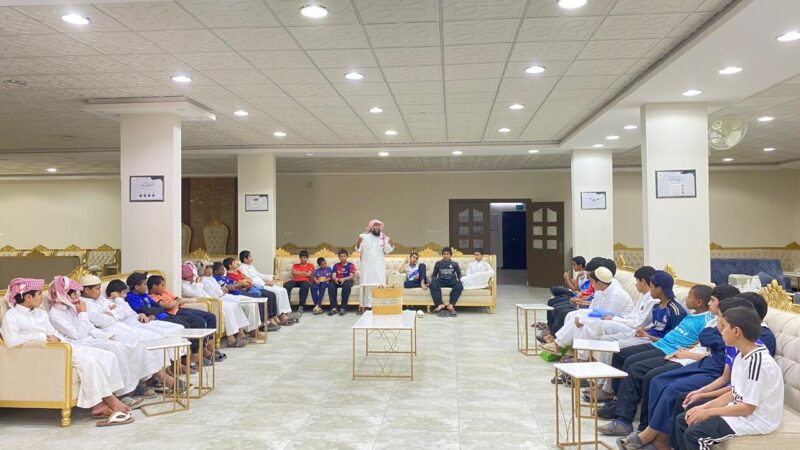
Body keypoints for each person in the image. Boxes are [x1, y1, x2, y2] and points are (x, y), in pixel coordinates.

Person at [1, 278, 133, 424]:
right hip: (41, 354)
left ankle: (104, 401)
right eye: (38, 294)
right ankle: (105, 402)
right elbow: (11, 340)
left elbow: (54, 332)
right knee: (89, 362)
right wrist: (41, 337)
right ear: (28, 297)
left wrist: (56, 338)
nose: (41, 298)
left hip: (59, 348)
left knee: (104, 356)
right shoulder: (11, 316)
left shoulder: (41, 313)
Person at [599, 282, 713, 436]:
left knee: (635, 368)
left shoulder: (707, 320)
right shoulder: (691, 315)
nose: (686, 299)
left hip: (670, 350)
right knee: (621, 354)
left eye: (689, 297)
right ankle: (620, 403)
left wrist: (684, 352)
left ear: (699, 302)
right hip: (660, 344)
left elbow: (700, 344)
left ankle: (624, 420)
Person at [673, 307, 783, 450]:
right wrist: (703, 407)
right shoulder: (740, 355)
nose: (721, 332)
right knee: (683, 419)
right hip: (741, 409)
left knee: (695, 434)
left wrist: (708, 412)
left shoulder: (758, 363)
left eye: (724, 327)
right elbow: (734, 392)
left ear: (736, 332)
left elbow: (748, 408)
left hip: (757, 419)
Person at [48, 276, 158, 406]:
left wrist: (106, 336)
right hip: (78, 343)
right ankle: (122, 394)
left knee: (119, 345)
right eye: (73, 294)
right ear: (63, 295)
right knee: (116, 349)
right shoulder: (55, 314)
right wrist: (83, 313)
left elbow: (90, 328)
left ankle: (131, 387)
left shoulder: (71, 307)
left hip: (90, 338)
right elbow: (78, 334)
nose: (76, 296)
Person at [540, 265, 633, 355]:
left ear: (599, 283)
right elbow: (593, 309)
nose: (591, 285)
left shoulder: (617, 295)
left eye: (592, 282)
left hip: (620, 323)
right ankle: (570, 349)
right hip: (605, 319)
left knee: (586, 323)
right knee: (573, 316)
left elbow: (608, 316)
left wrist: (583, 320)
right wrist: (581, 317)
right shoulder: (600, 290)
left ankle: (562, 347)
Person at [146, 274, 219, 364]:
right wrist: (175, 302)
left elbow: (178, 300)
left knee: (211, 317)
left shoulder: (165, 293)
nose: (164, 288)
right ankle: (198, 352)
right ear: (154, 286)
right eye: (162, 285)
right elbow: (168, 306)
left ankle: (209, 347)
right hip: (173, 313)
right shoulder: (152, 297)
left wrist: (175, 302)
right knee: (198, 322)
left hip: (180, 309)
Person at [180, 261, 254, 348]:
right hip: (208, 301)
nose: (193, 276)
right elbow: (198, 293)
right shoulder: (185, 284)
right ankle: (231, 339)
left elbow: (216, 290)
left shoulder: (197, 281)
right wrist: (199, 283)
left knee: (234, 306)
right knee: (228, 308)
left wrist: (221, 290)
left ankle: (241, 334)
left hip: (213, 298)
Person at [214, 261, 288, 327]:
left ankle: (270, 318)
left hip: (245, 289)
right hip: (238, 292)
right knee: (259, 298)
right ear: (216, 271)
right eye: (221, 270)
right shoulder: (220, 277)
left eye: (223, 269)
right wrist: (239, 284)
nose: (223, 271)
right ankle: (264, 322)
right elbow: (231, 286)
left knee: (269, 295)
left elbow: (246, 280)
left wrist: (239, 283)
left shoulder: (228, 276)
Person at [105, 279, 183, 337]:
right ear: (115, 293)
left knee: (177, 327)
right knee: (160, 335)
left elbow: (130, 313)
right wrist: (118, 298)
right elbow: (122, 314)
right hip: (132, 326)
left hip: (141, 320)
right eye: (124, 293)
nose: (126, 295)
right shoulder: (110, 303)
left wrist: (140, 314)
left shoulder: (123, 302)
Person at [237, 250, 293, 318]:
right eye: (250, 256)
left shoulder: (250, 266)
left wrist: (272, 277)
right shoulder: (242, 268)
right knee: (277, 292)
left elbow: (259, 275)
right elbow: (250, 281)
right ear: (245, 259)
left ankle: (286, 312)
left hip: (262, 283)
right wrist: (265, 283)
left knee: (283, 290)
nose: (252, 257)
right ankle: (280, 315)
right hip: (258, 286)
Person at [356, 219, 394, 314]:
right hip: (367, 266)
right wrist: (358, 242)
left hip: (379, 266)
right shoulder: (363, 236)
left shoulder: (383, 238)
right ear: (371, 227)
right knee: (366, 285)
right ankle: (364, 306)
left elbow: (387, 250)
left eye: (378, 226)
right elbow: (358, 249)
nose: (377, 227)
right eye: (375, 225)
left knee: (379, 285)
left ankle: (378, 306)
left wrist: (391, 243)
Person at [429, 247, 463, 317]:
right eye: (444, 254)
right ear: (442, 255)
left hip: (452, 280)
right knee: (432, 285)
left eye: (448, 254)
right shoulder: (438, 263)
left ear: (450, 255)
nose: (446, 255)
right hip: (441, 280)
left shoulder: (454, 264)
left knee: (459, 286)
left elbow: (459, 274)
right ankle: (440, 304)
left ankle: (450, 305)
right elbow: (434, 275)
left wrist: (461, 281)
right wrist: (433, 281)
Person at [329, 249, 356, 316]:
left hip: (347, 279)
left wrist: (344, 279)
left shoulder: (351, 265)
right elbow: (333, 275)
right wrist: (335, 279)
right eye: (341, 256)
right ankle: (334, 308)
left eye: (344, 256)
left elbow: (351, 276)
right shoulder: (336, 265)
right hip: (338, 280)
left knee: (346, 286)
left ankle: (342, 308)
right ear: (339, 257)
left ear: (347, 257)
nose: (342, 257)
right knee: (331, 285)